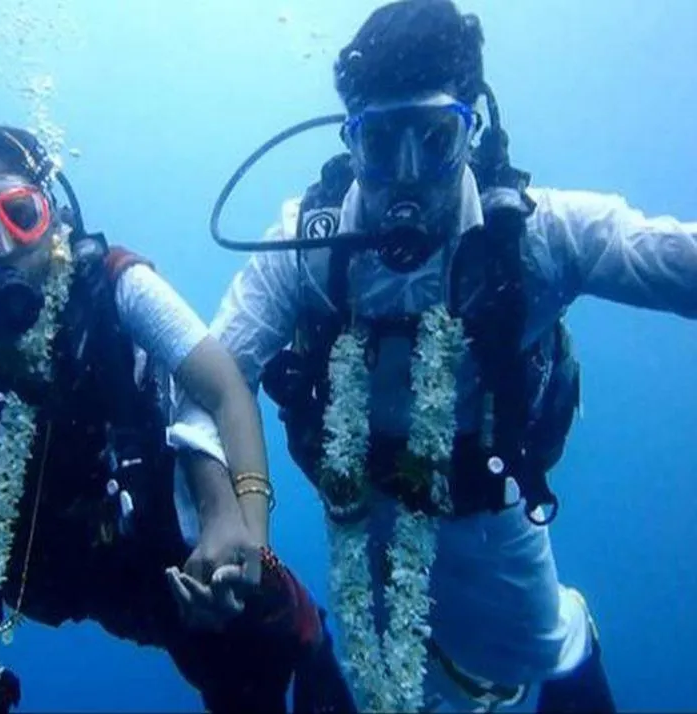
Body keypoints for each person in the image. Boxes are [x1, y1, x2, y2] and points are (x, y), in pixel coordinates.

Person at [207, 0, 696, 711]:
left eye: (436, 138)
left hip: (489, 514)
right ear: (351, 142)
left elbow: (663, 254)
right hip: (360, 504)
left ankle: (575, 637)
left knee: (537, 647)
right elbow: (211, 372)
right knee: (396, 678)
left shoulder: (533, 237)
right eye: (380, 143)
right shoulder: (307, 247)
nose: (407, 175)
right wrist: (221, 510)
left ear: (473, 130)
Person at [0, 125, 356, 714]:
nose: (1, 248)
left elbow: (224, 384)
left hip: (168, 551)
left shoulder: (114, 283)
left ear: (52, 216)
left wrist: (251, 537)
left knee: (247, 661)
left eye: (20, 214)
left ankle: (305, 632)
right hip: (63, 576)